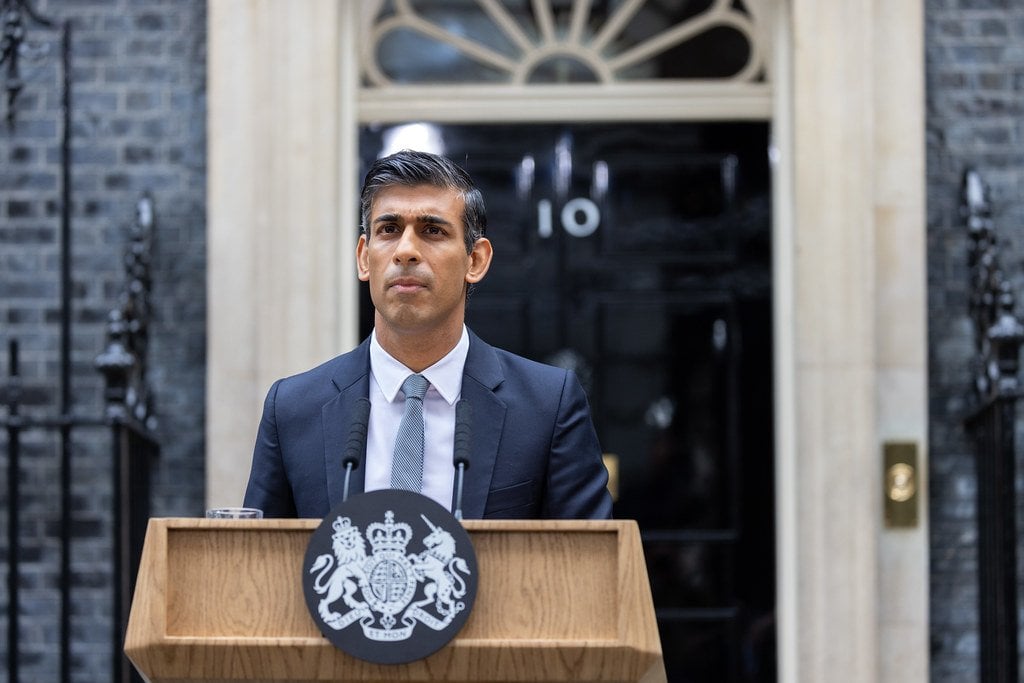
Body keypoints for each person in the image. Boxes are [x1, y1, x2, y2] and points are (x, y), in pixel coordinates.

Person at [243, 149, 612, 519]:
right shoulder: (292, 408)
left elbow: (587, 565)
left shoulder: (548, 406)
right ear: (363, 257)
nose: (405, 250)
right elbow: (256, 567)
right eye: (388, 230)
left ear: (475, 260)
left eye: (432, 230)